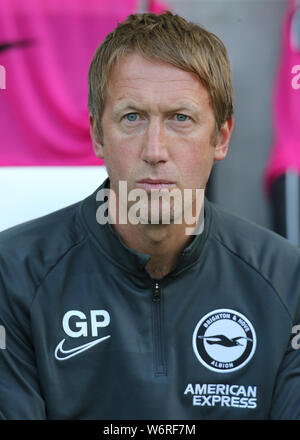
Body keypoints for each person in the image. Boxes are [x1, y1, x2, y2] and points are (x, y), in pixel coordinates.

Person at [0, 11, 300, 421]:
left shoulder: (287, 280)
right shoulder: (13, 273)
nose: (154, 149)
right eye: (132, 117)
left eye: (180, 118)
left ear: (222, 137)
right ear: (97, 134)